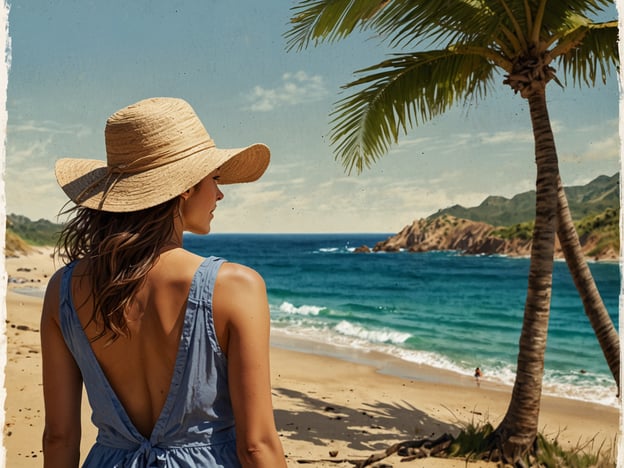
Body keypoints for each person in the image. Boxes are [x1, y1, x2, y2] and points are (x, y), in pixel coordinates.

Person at [40, 97, 287, 467]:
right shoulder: (235, 287)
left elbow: (59, 438)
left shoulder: (63, 290)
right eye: (214, 178)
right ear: (185, 186)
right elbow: (256, 447)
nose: (219, 193)